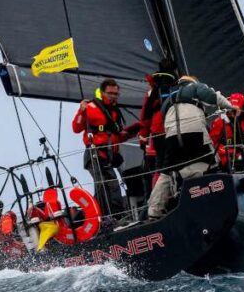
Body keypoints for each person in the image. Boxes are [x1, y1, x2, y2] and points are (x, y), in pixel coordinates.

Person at [146, 75, 233, 220]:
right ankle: (215, 200)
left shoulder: (167, 99)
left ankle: (154, 211)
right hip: (195, 132)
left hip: (171, 137)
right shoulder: (195, 87)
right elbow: (213, 97)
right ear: (192, 82)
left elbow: (163, 119)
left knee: (167, 171)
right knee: (212, 162)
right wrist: (231, 106)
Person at [72, 78, 141, 219]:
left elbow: (114, 136)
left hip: (108, 156)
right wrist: (81, 111)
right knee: (110, 186)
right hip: (95, 155)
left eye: (116, 94)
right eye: (110, 93)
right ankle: (115, 218)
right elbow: (76, 128)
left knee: (105, 188)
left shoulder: (113, 112)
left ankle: (85, 218)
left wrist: (133, 132)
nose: (113, 96)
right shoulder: (91, 107)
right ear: (102, 93)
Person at [134, 57, 180, 220]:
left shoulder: (153, 90)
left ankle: (155, 205)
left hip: (158, 132)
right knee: (179, 164)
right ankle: (171, 199)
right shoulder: (178, 86)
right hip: (175, 128)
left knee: (161, 168)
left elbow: (145, 115)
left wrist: (143, 136)